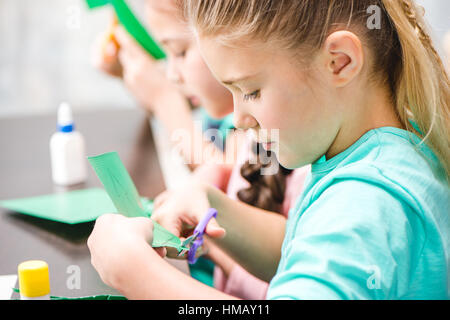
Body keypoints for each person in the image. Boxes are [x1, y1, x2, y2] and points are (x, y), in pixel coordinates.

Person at [87, 0, 450, 299]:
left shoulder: (368, 201)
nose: (240, 119)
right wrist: (214, 207)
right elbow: (306, 248)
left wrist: (138, 274)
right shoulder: (385, 146)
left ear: (339, 61)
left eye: (251, 91)